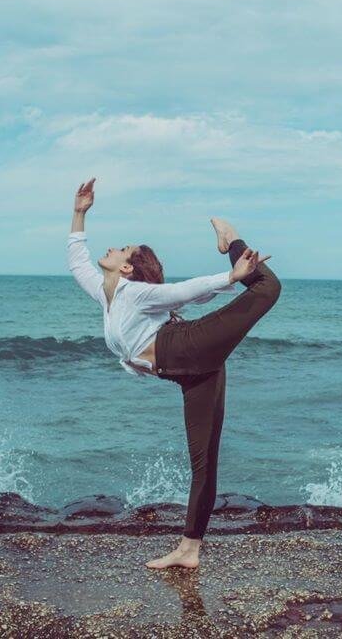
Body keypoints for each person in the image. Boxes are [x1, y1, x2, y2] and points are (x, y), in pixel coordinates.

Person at [66, 177, 281, 569]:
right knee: (204, 460)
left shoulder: (135, 293)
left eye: (121, 248)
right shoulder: (107, 294)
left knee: (266, 288)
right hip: (190, 371)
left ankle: (231, 239)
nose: (112, 248)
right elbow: (77, 261)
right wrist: (80, 212)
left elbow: (181, 292)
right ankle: (190, 550)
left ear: (127, 266)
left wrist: (230, 276)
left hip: (188, 345)